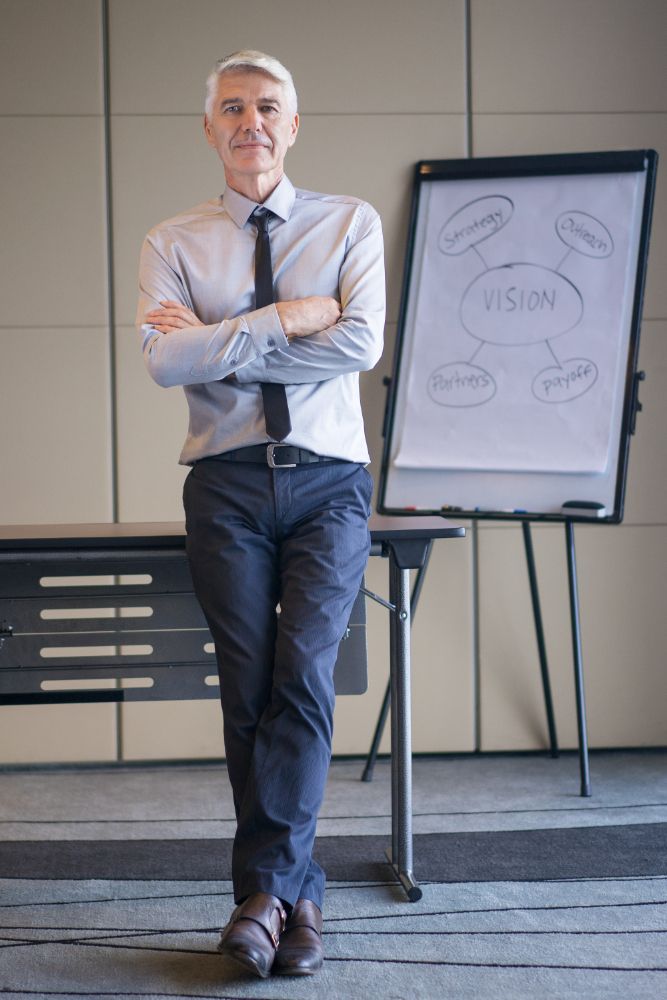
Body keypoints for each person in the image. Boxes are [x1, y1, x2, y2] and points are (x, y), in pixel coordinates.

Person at [136, 49, 385, 979]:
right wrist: (284, 319)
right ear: (210, 128)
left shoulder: (350, 222)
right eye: (234, 108)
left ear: (293, 124)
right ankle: (296, 902)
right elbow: (161, 363)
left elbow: (359, 342)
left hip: (329, 482)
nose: (252, 122)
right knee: (248, 690)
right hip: (227, 481)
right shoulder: (173, 240)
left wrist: (220, 345)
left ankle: (263, 898)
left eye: (268, 107)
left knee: (305, 675)